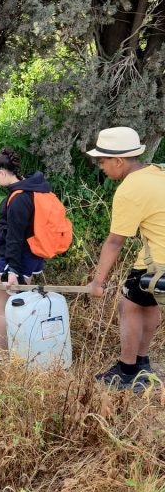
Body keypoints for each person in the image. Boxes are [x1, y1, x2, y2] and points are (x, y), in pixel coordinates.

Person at [86, 126, 165, 390]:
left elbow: (114, 242)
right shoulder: (156, 171)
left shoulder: (130, 190)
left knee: (128, 305)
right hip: (159, 255)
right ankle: (142, 364)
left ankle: (127, 370)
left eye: (103, 161)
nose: (101, 167)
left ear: (118, 160)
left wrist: (97, 283)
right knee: (148, 302)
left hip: (158, 260)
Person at [0, 147, 49, 352]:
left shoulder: (18, 198)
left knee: (3, 309)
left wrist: (12, 270)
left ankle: (3, 355)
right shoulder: (34, 189)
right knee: (21, 307)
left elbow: (14, 237)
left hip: (13, 260)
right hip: (31, 258)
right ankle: (21, 353)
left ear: (3, 172)